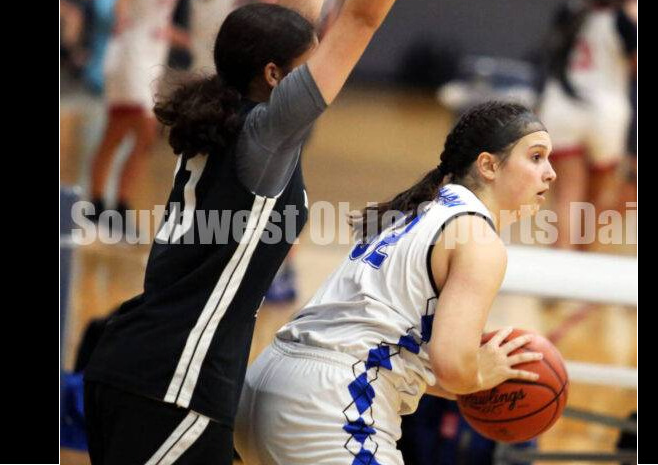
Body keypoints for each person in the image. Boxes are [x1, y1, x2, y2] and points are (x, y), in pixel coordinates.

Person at [82, 0, 405, 462]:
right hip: (175, 385)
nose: (318, 78)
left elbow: (292, 17)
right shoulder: (266, 135)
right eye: (307, 67)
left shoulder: (225, 112)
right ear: (274, 76)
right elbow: (359, 20)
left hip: (137, 367)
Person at [234, 101, 557, 465]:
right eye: (536, 157)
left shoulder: (412, 210)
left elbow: (399, 352)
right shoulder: (478, 239)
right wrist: (479, 373)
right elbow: (453, 366)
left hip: (265, 384)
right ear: (488, 165)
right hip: (331, 406)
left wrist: (471, 378)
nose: (550, 173)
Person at [536, 0, 636, 249]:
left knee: (568, 196)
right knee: (594, 202)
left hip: (562, 106)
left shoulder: (571, 9)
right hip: (606, 111)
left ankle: (561, 264)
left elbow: (548, 55)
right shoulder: (626, 15)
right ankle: (578, 265)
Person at [86, 0, 186, 227]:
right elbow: (120, 1)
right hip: (131, 55)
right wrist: (121, 17)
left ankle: (105, 205)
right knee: (144, 131)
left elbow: (157, 18)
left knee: (117, 133)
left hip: (151, 57)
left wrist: (189, 40)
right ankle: (113, 206)